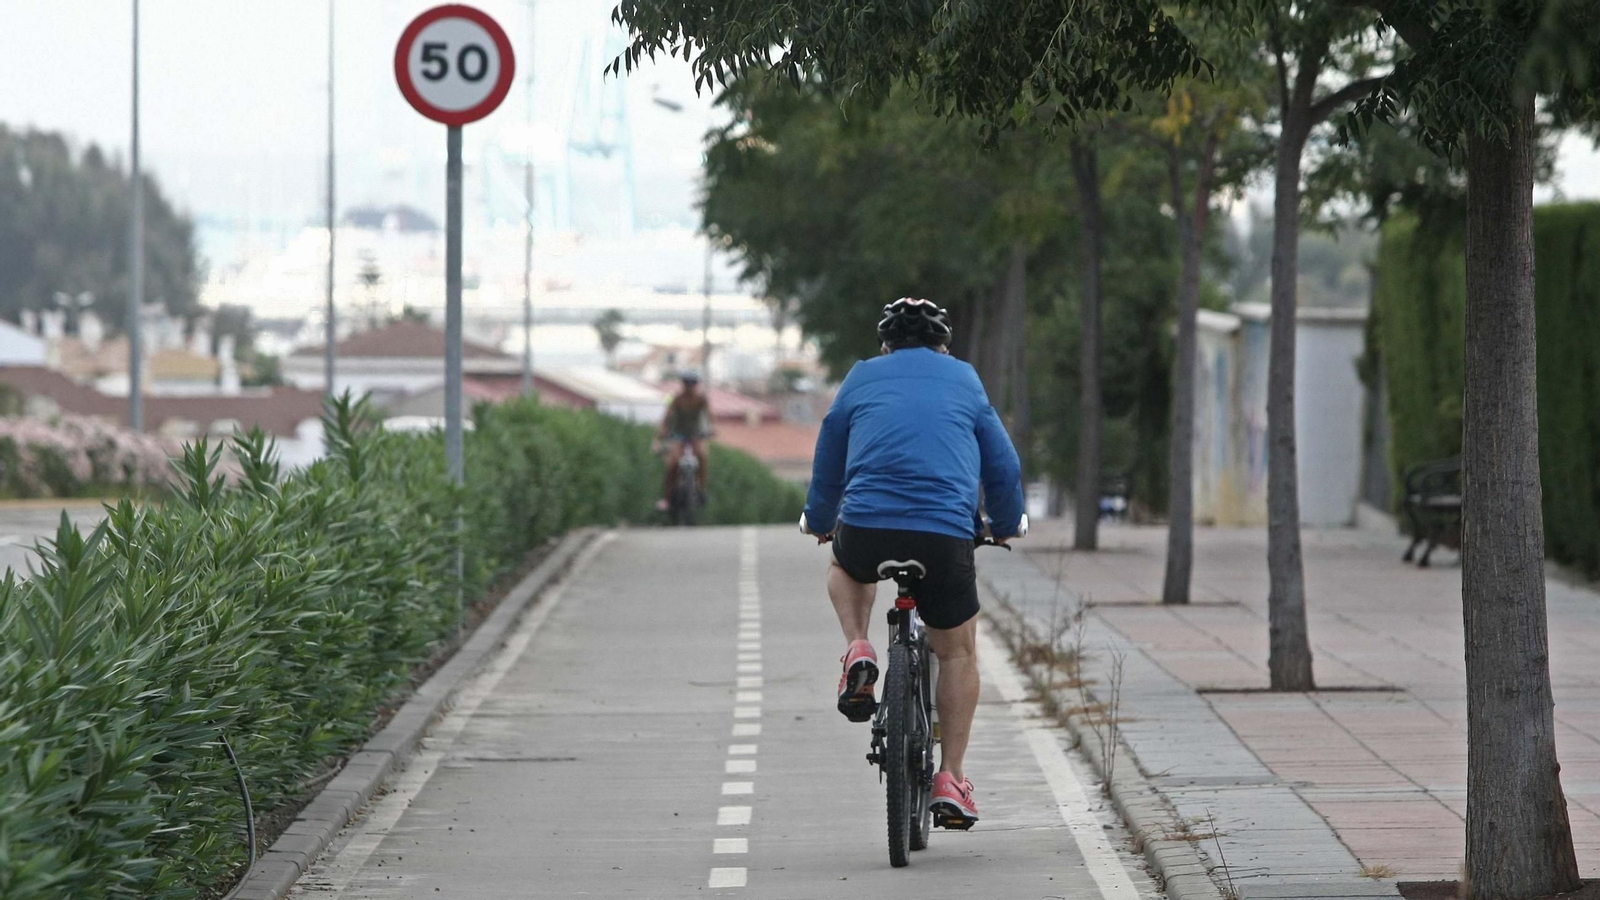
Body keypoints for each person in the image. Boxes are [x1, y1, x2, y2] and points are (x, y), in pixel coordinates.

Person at [801, 297, 1024, 830]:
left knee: (846, 568)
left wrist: (819, 515)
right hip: (945, 535)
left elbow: (830, 449)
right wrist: (1007, 521)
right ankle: (951, 777)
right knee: (959, 652)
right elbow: (1002, 461)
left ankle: (859, 646)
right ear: (944, 346)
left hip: (867, 528)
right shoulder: (965, 379)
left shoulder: (861, 376)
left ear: (885, 346)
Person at [655, 369, 711, 511]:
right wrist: (659, 436)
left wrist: (712, 428)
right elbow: (667, 418)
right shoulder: (677, 399)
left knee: (702, 456)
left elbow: (710, 416)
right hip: (679, 435)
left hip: (696, 435)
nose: (689, 386)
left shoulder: (701, 399)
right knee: (673, 464)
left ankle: (700, 488)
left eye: (692, 383)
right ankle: (666, 499)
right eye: (687, 383)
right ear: (683, 384)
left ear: (696, 384)